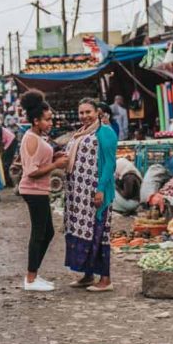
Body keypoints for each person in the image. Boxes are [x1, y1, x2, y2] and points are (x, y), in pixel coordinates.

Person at [63, 98, 116, 292]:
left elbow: (110, 164)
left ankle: (106, 280)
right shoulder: (80, 133)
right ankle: (87, 275)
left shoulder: (105, 132)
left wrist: (100, 189)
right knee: (84, 232)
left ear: (98, 113)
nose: (84, 116)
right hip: (78, 195)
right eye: (81, 113)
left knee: (99, 234)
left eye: (88, 112)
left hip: (96, 193)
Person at [17, 90, 68, 291]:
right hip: (33, 190)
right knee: (39, 233)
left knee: (48, 233)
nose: (51, 123)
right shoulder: (31, 138)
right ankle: (30, 279)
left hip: (40, 190)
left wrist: (54, 156)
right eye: (47, 120)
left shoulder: (37, 137)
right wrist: (56, 165)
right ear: (36, 120)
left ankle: (34, 274)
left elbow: (39, 159)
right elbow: (31, 171)